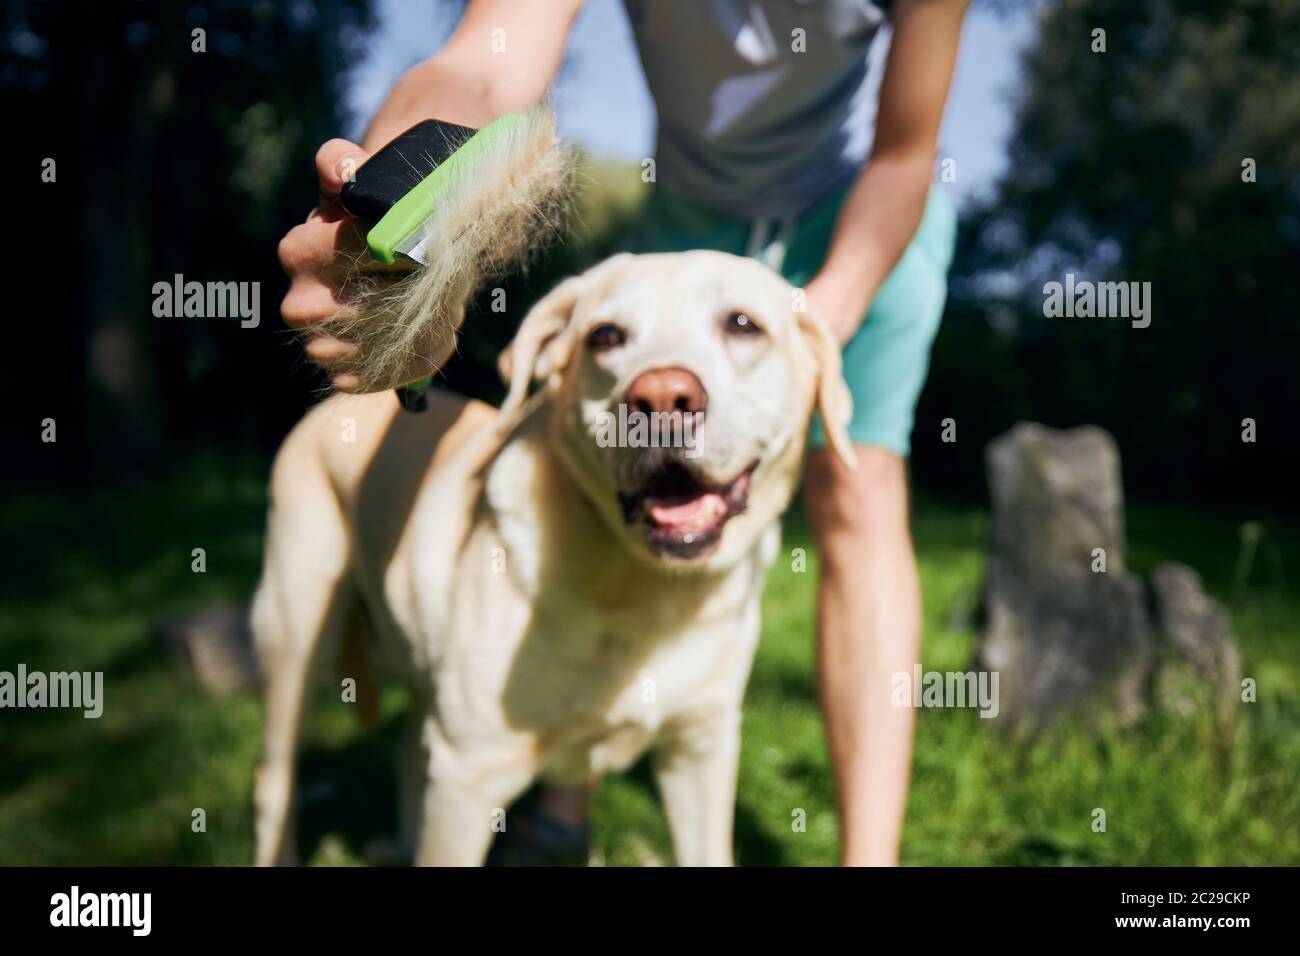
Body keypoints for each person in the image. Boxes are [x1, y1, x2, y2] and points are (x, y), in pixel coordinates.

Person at [278, 0, 968, 866]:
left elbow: (906, 152)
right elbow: (489, 64)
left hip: (861, 204)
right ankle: (563, 811)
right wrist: (390, 214)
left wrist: (799, 338)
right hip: (691, 210)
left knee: (860, 492)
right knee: (611, 468)